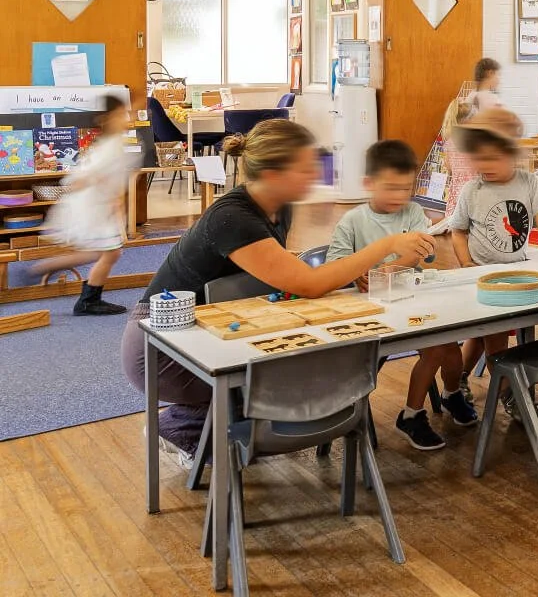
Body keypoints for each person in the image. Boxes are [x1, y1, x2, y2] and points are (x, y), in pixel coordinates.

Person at [122, 120, 434, 458]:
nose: (315, 174)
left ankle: (202, 422)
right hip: (164, 346)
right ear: (272, 175)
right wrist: (386, 244)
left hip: (215, 326)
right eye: (305, 168)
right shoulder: (233, 218)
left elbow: (287, 271)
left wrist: (345, 271)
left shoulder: (277, 207)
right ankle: (182, 427)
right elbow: (310, 284)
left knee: (303, 367)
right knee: (289, 379)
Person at [326, 140, 477, 451]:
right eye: (391, 188)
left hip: (410, 301)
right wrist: (357, 273)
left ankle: (451, 395)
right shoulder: (353, 220)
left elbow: (417, 255)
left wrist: (385, 271)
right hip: (369, 313)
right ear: (369, 184)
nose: (399, 196)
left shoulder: (412, 213)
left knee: (448, 346)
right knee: (437, 350)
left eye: (405, 188)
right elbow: (335, 267)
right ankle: (412, 414)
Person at [450, 108, 538, 419]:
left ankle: (459, 380)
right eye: (479, 159)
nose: (485, 166)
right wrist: (466, 262)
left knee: (483, 337)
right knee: (492, 337)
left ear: (511, 156)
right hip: (483, 277)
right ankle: (510, 395)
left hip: (517, 274)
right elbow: (458, 231)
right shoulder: (473, 190)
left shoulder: (528, 181)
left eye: (493, 158)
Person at [30, 95, 137, 315]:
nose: (126, 119)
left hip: (96, 205)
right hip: (92, 206)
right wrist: (107, 196)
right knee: (108, 253)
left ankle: (55, 274)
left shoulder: (113, 143)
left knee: (103, 253)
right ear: (107, 119)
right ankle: (87, 299)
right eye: (120, 115)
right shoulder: (109, 147)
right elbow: (83, 179)